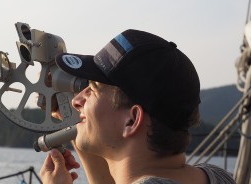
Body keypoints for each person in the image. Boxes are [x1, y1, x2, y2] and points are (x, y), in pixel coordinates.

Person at [40, 29, 236, 184]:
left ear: (132, 120)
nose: (77, 100)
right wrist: (81, 120)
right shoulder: (218, 177)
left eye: (93, 89)